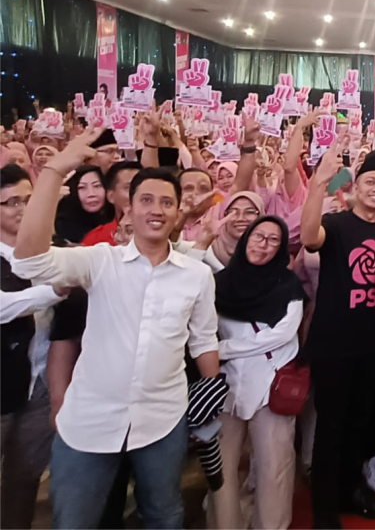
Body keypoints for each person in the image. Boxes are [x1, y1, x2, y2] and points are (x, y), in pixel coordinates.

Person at [12, 129, 220, 529]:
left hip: (163, 420)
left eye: (166, 202)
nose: (156, 209)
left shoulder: (197, 275)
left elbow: (204, 340)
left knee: (164, 514)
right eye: (145, 200)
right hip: (90, 420)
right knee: (74, 520)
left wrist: (212, 404)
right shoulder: (98, 261)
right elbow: (29, 263)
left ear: (179, 213)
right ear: (128, 209)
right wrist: (55, 170)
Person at [299, 143, 375, 525]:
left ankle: (349, 492)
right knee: (331, 430)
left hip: (372, 347)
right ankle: (323, 511)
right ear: (355, 187)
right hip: (334, 346)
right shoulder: (337, 225)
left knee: (359, 427)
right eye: (370, 181)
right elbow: (309, 238)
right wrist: (318, 185)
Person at [207, 216, 305, 530]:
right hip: (225, 387)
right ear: (246, 237)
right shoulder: (220, 284)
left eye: (273, 240)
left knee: (274, 467)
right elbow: (203, 328)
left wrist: (223, 351)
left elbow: (282, 334)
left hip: (269, 384)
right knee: (221, 468)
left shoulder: (288, 285)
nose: (263, 244)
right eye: (258, 236)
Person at [0, 164, 64, 530]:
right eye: (11, 202)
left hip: (40, 385)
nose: (23, 208)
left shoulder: (51, 251)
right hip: (3, 384)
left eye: (29, 199)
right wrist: (51, 292)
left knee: (24, 482)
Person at [82, 161, 142, 246]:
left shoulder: (160, 234)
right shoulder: (96, 239)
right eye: (129, 188)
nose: (138, 195)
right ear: (111, 196)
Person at [54, 165, 114, 245]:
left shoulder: (118, 219)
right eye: (82, 188)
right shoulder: (63, 225)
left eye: (97, 186)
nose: (91, 194)